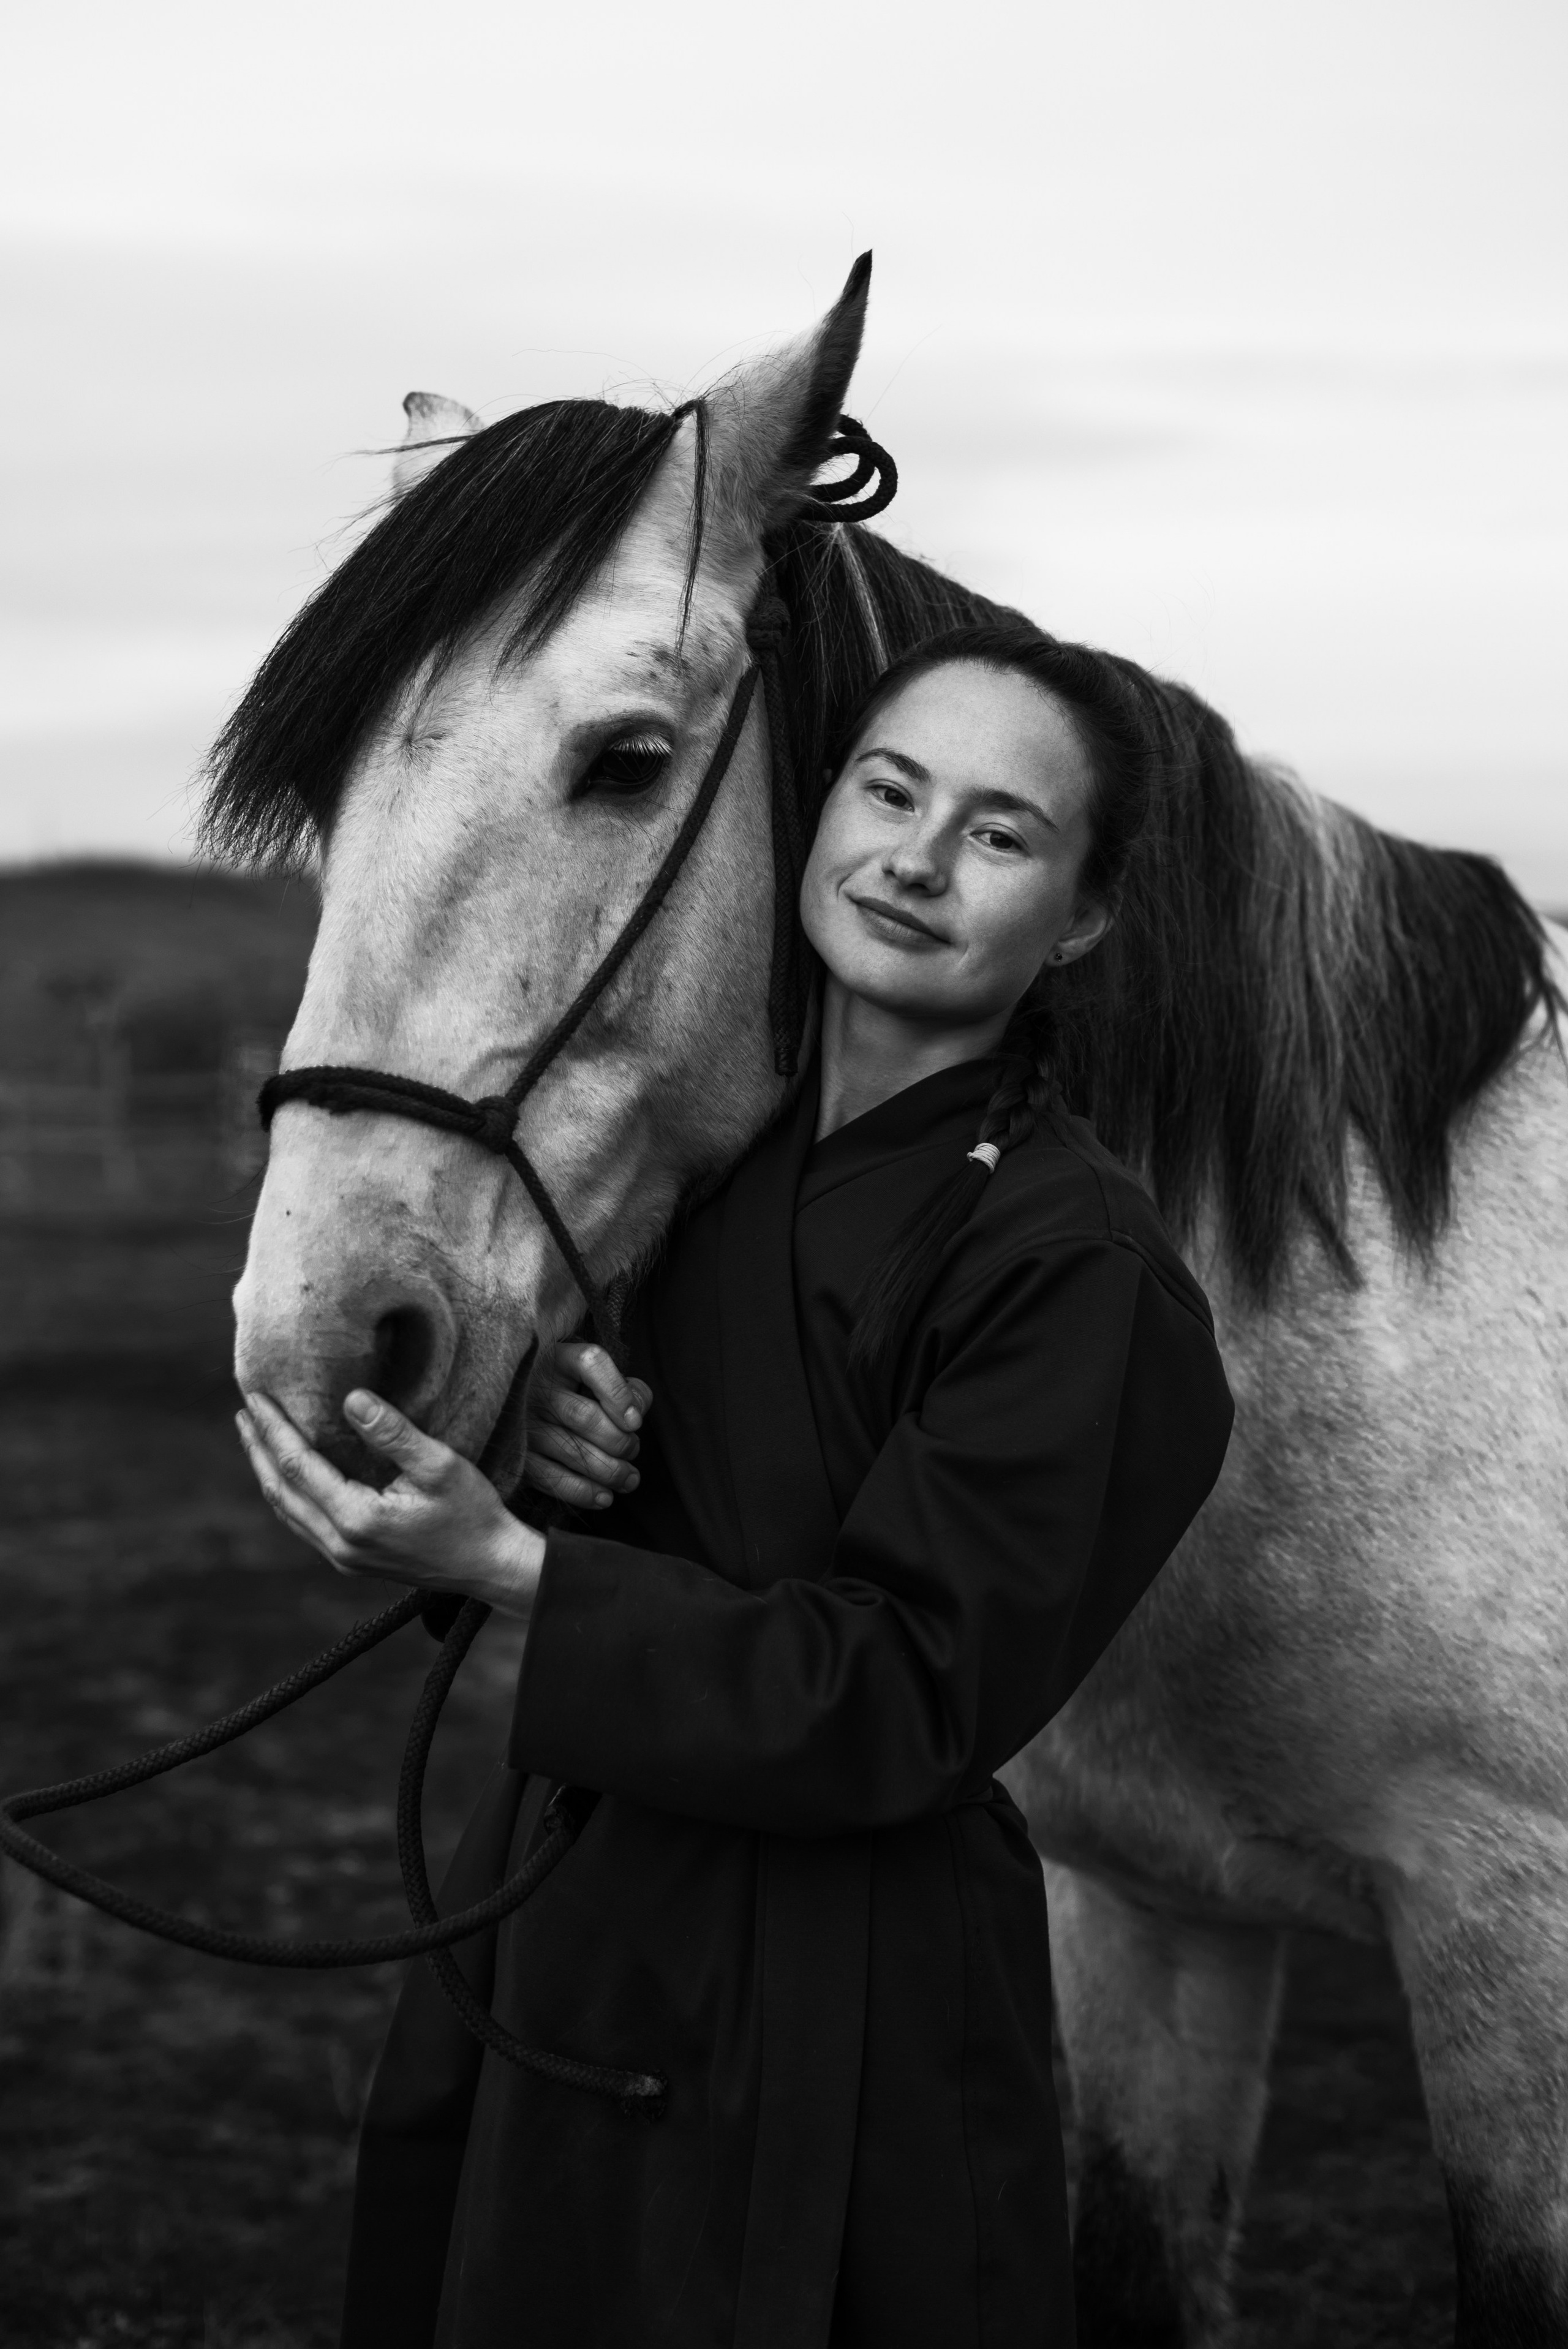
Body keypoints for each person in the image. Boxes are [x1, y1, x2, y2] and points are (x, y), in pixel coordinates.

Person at [239, 622, 1235, 2349]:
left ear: (1080, 918)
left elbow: (906, 1697)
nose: (915, 860)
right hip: (561, 1908)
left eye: (999, 833)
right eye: (889, 788)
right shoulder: (693, 1166)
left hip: (842, 1994)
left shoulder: (1083, 1269)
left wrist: (528, 1579)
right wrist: (550, 1452)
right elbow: (654, 1489)